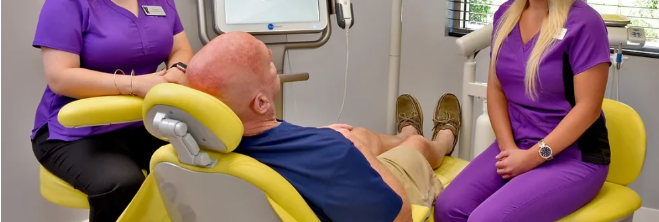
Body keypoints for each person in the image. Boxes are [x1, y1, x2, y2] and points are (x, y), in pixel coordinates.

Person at [434, 0, 611, 222]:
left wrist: (532, 158)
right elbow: (496, 89)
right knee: (448, 208)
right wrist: (508, 151)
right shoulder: (506, 15)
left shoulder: (585, 24)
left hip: (573, 157)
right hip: (518, 145)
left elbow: (588, 109)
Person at [31, 0, 193, 222]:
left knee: (199, 169)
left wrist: (178, 70)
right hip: (75, 132)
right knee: (121, 183)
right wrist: (136, 84)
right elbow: (60, 77)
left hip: (142, 122)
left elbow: (182, 48)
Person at [185, 31, 462, 222]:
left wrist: (330, 137)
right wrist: (355, 148)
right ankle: (441, 142)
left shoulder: (194, 144)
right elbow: (399, 217)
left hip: (333, 168)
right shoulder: (334, 154)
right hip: (358, 180)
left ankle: (404, 132)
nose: (271, 54)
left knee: (356, 132)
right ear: (260, 103)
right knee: (408, 147)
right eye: (268, 63)